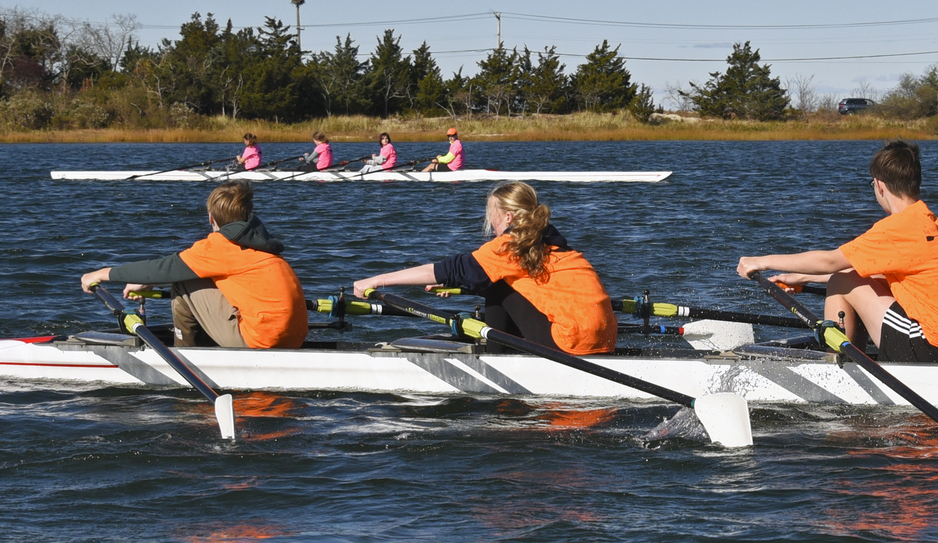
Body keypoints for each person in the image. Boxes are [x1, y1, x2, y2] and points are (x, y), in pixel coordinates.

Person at [736, 140, 938, 363]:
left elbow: (831, 261)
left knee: (842, 280)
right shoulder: (931, 222)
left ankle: (838, 364)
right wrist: (802, 278)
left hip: (930, 346)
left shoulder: (899, 227)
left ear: (880, 186)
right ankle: (852, 352)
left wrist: (759, 262)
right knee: (862, 276)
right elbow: (876, 274)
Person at [352, 182, 615, 355]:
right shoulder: (554, 243)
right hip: (605, 338)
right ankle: (510, 349)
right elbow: (528, 287)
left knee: (496, 287)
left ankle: (497, 356)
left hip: (570, 341)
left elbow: (447, 269)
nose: (490, 222)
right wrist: (461, 286)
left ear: (508, 217)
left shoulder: (508, 245)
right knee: (496, 281)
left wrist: (377, 280)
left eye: (492, 214)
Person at [78, 180, 308, 349]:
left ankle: (187, 350)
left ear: (211, 218)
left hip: (259, 341)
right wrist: (143, 283)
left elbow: (164, 268)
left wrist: (101, 273)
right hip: (294, 338)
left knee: (182, 281)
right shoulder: (261, 242)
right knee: (192, 273)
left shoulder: (220, 245)